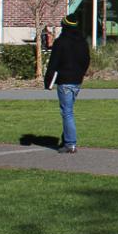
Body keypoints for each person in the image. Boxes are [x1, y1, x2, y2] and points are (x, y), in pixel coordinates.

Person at [43, 13, 90, 153]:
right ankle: (66, 140)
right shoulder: (82, 42)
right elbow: (86, 60)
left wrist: (48, 81)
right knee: (68, 110)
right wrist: (81, 73)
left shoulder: (61, 42)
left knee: (67, 112)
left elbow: (53, 63)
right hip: (77, 81)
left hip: (65, 81)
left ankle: (70, 143)